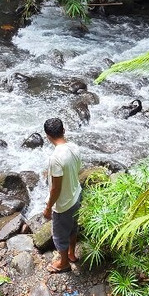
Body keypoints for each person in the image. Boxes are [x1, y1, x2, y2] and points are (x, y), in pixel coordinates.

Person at [42, 117, 83, 273]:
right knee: (73, 228)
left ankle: (64, 263)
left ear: (48, 136)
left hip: (64, 203)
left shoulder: (55, 158)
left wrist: (48, 207)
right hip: (77, 194)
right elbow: (78, 168)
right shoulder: (74, 147)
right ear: (63, 130)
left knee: (59, 236)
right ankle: (72, 254)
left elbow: (55, 189)